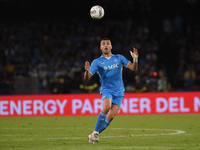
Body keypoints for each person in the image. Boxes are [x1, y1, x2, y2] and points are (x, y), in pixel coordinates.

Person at [84, 38, 138, 144]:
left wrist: (135, 59)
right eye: (103, 44)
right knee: (107, 107)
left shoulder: (119, 58)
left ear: (111, 46)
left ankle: (94, 134)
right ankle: (95, 133)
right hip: (106, 89)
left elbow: (133, 68)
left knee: (111, 116)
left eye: (108, 44)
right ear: (100, 47)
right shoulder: (97, 62)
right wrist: (86, 72)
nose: (105, 45)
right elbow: (87, 78)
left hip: (119, 91)